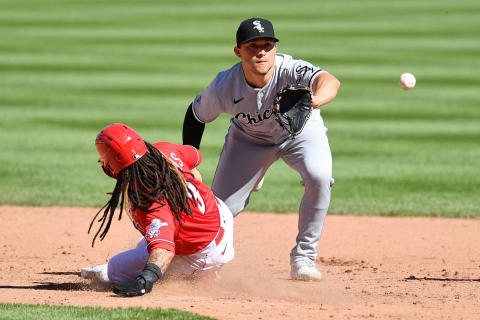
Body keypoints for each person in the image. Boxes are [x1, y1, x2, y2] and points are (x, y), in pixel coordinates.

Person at [182, 18, 340, 281]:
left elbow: (330, 81)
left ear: (275, 48)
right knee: (221, 210)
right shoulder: (224, 85)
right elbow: (196, 115)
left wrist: (314, 101)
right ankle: (204, 264)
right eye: (252, 45)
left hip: (299, 133)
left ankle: (304, 256)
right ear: (238, 51)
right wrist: (189, 162)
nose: (261, 51)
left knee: (319, 177)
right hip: (249, 141)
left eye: (267, 45)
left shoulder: (290, 68)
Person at [81, 123, 234, 296]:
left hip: (205, 252)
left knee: (115, 269)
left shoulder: (149, 198)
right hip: (219, 213)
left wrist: (147, 278)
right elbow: (195, 160)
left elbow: (165, 250)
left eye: (102, 157)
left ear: (114, 163)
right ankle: (196, 251)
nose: (101, 161)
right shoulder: (163, 150)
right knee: (148, 240)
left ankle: (204, 274)